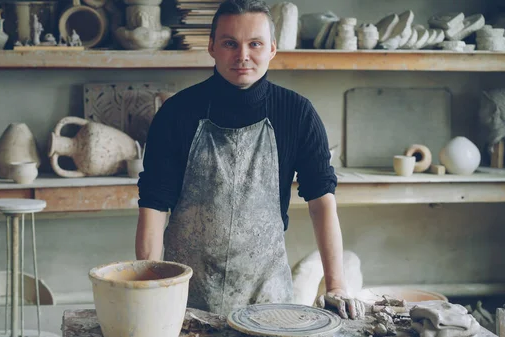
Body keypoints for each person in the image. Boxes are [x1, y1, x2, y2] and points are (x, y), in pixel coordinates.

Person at [135, 0, 364, 320]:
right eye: (230, 43)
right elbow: (154, 205)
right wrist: (151, 288)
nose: (242, 55)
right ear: (212, 47)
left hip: (268, 295)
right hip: (184, 295)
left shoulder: (297, 113)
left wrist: (336, 285)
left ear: (272, 48)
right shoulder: (177, 112)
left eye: (254, 43)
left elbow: (321, 201)